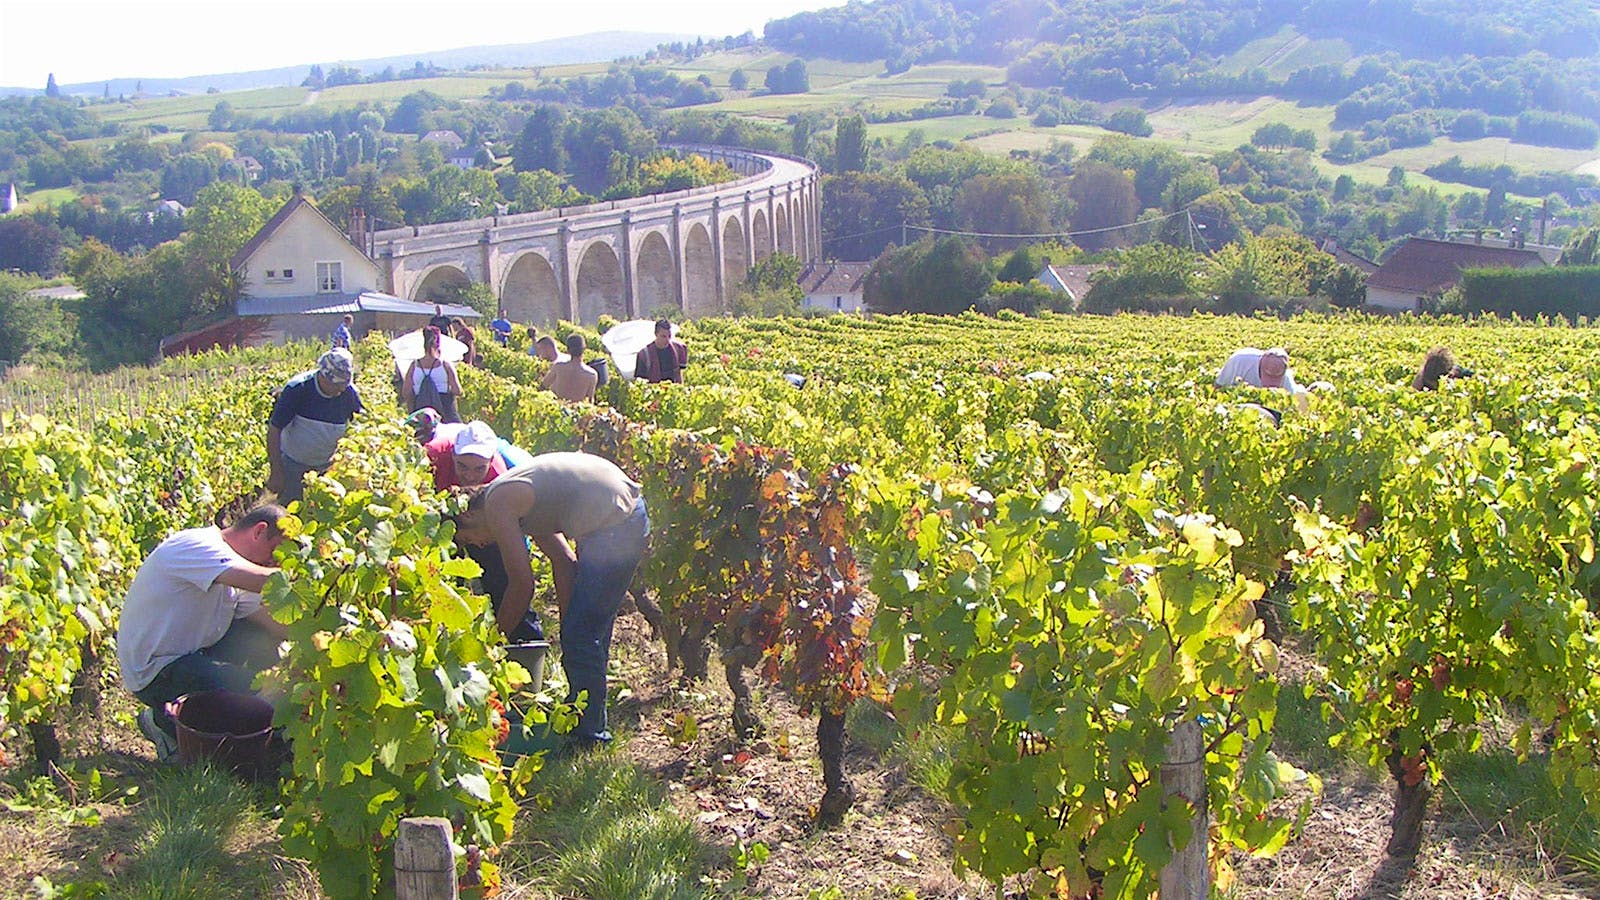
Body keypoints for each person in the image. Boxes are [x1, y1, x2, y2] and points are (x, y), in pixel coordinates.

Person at [454, 453, 649, 746]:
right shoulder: (516, 500)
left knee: (583, 636)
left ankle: (589, 737)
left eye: (468, 539)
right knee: (582, 633)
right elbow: (563, 560)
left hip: (616, 524)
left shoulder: (498, 504)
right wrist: (568, 621)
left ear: (468, 515)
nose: (478, 545)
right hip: (621, 517)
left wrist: (494, 645)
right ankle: (585, 719)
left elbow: (522, 585)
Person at [118, 505, 288, 762]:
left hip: (193, 653)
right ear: (259, 531)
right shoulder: (198, 545)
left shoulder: (233, 571)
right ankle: (166, 724)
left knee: (261, 639)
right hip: (157, 670)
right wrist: (312, 579)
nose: (273, 564)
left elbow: (277, 624)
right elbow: (268, 583)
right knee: (258, 702)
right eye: (275, 554)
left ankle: (186, 720)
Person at [420, 420, 542, 641]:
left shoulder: (499, 476)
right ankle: (444, 635)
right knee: (442, 577)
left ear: (489, 462)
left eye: (478, 469)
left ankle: (524, 641)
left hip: (483, 518)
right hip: (439, 517)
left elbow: (512, 533)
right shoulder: (433, 456)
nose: (469, 475)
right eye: (462, 467)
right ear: (453, 456)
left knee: (502, 575)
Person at [267, 348, 364, 505]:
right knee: (290, 516)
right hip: (294, 467)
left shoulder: (349, 393)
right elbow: (274, 429)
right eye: (338, 385)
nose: (341, 389)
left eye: (344, 385)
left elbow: (360, 426)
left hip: (329, 468)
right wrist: (276, 471)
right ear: (324, 377)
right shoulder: (298, 389)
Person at [402, 326, 462, 423]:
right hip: (444, 411)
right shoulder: (445, 365)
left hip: (421, 413)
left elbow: (406, 392)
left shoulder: (414, 365)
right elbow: (457, 390)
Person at [1215, 347, 1305, 394]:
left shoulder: (1286, 380)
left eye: (1276, 378)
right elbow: (1219, 385)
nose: (1270, 385)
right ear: (1260, 365)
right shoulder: (1239, 362)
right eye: (1269, 376)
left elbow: (1293, 403)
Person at [543, 334, 599, 403]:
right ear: (584, 349)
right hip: (576, 412)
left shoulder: (558, 367)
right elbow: (589, 401)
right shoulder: (592, 375)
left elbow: (544, 385)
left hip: (557, 408)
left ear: (568, 349)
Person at [634, 319, 688, 384]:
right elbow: (640, 380)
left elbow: (679, 373)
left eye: (669, 336)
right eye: (663, 336)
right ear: (656, 334)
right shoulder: (644, 354)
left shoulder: (678, 349)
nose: (667, 340)